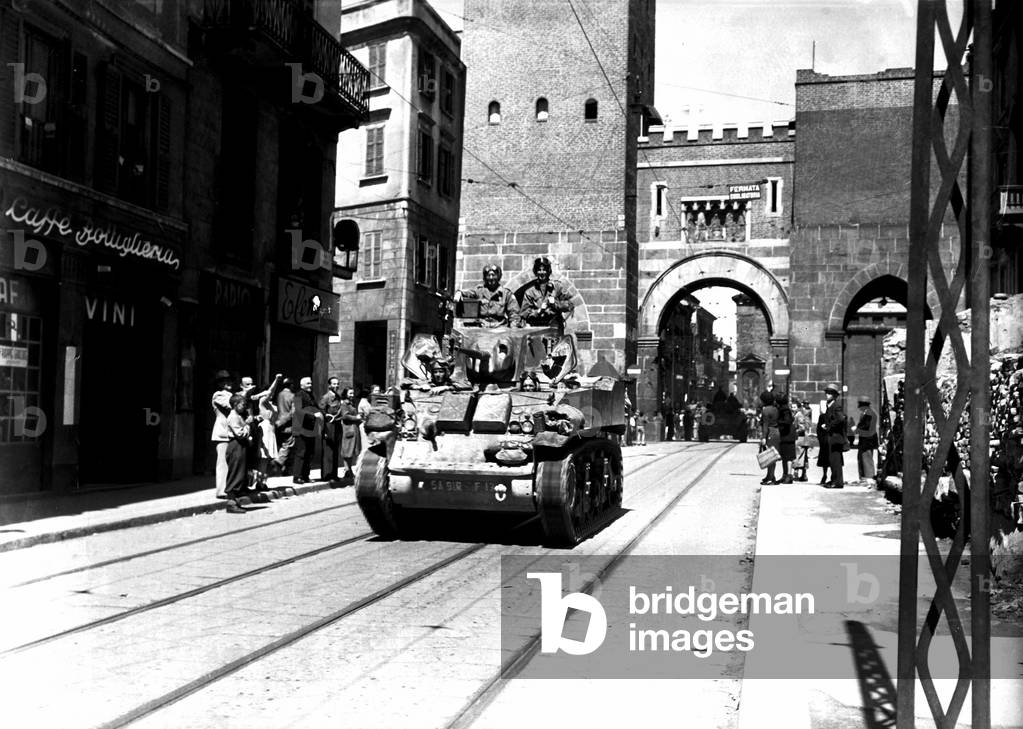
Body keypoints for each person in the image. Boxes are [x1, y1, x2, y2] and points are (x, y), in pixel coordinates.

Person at [455, 264, 520, 327]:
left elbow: (514, 314)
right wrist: (459, 293)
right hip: (482, 326)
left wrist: (513, 329)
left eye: (493, 275)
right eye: (488, 275)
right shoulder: (480, 291)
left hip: (500, 327)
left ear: (498, 276)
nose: (491, 278)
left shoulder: (506, 293)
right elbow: (468, 293)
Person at [520, 257, 574, 330]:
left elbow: (570, 305)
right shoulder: (530, 292)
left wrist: (555, 304)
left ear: (548, 271)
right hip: (536, 328)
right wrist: (539, 311)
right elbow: (524, 314)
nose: (542, 273)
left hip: (555, 328)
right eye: (539, 270)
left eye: (544, 270)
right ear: (536, 272)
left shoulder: (557, 287)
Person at [223, 393, 252, 513]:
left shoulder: (238, 416)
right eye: (242, 405)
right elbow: (240, 434)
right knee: (235, 472)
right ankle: (231, 503)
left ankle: (235, 501)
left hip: (240, 446)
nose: (244, 407)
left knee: (240, 472)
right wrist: (248, 425)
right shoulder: (233, 417)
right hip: (236, 446)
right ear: (235, 405)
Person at [291, 376, 322, 484]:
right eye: (308, 384)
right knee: (301, 452)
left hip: (310, 428)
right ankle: (297, 476)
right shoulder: (298, 395)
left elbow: (317, 407)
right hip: (301, 428)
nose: (310, 385)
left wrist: (323, 414)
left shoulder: (311, 395)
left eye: (311, 383)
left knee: (309, 452)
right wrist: (313, 415)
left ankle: (305, 475)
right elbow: (299, 411)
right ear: (302, 385)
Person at [210, 370, 235, 499]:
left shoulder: (232, 394)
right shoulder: (218, 395)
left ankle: (230, 487)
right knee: (222, 462)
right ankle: (221, 490)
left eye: (229, 380)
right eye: (225, 381)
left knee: (231, 461)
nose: (228, 383)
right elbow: (230, 405)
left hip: (231, 432)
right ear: (220, 383)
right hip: (222, 431)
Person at [821, 383, 848, 489]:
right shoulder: (830, 405)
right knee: (832, 460)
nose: (827, 394)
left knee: (835, 460)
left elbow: (841, 419)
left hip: (836, 437)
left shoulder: (836, 406)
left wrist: (828, 426)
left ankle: (837, 482)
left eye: (830, 393)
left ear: (834, 395)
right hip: (832, 437)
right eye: (827, 392)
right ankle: (834, 479)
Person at [319, 377, 344, 483]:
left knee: (335, 451)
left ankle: (334, 474)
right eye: (334, 384)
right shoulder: (326, 397)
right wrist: (323, 430)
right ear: (329, 385)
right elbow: (321, 413)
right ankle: (327, 475)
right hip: (328, 426)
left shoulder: (338, 397)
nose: (336, 386)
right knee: (328, 451)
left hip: (337, 426)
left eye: (337, 384)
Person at [337, 387, 363, 480]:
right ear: (346, 394)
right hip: (348, 429)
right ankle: (347, 470)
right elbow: (345, 416)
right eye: (350, 393)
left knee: (351, 451)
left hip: (353, 429)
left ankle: (349, 471)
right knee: (347, 451)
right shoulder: (344, 404)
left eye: (353, 393)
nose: (352, 395)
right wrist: (356, 418)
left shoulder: (351, 403)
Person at [274, 378, 296, 474]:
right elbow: (293, 413)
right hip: (288, 425)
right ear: (291, 385)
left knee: (282, 444)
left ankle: (284, 469)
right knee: (288, 446)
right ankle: (278, 462)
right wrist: (283, 421)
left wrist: (278, 422)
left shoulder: (278, 395)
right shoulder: (293, 396)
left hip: (277, 423)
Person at [855, 395, 879, 485]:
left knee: (867, 458)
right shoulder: (865, 413)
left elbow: (866, 426)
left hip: (868, 440)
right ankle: (863, 477)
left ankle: (869, 477)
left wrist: (856, 429)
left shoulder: (870, 413)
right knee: (861, 457)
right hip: (864, 439)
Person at [759, 390, 780, 485]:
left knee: (770, 456)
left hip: (770, 433)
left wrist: (763, 437)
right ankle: (770, 475)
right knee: (772, 455)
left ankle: (771, 477)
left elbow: (765, 425)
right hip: (776, 432)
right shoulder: (775, 408)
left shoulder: (766, 410)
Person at [776, 392, 797, 483]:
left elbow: (788, 421)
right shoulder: (784, 409)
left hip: (788, 435)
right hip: (786, 435)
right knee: (785, 456)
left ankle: (789, 475)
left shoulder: (784, 410)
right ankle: (785, 475)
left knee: (788, 457)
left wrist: (778, 422)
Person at [793, 401, 813, 482]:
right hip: (805, 437)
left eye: (794, 407)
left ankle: (798, 473)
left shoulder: (799, 415)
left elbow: (801, 427)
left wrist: (795, 430)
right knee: (804, 456)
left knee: (798, 455)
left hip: (800, 437)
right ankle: (803, 474)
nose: (792, 408)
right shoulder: (806, 414)